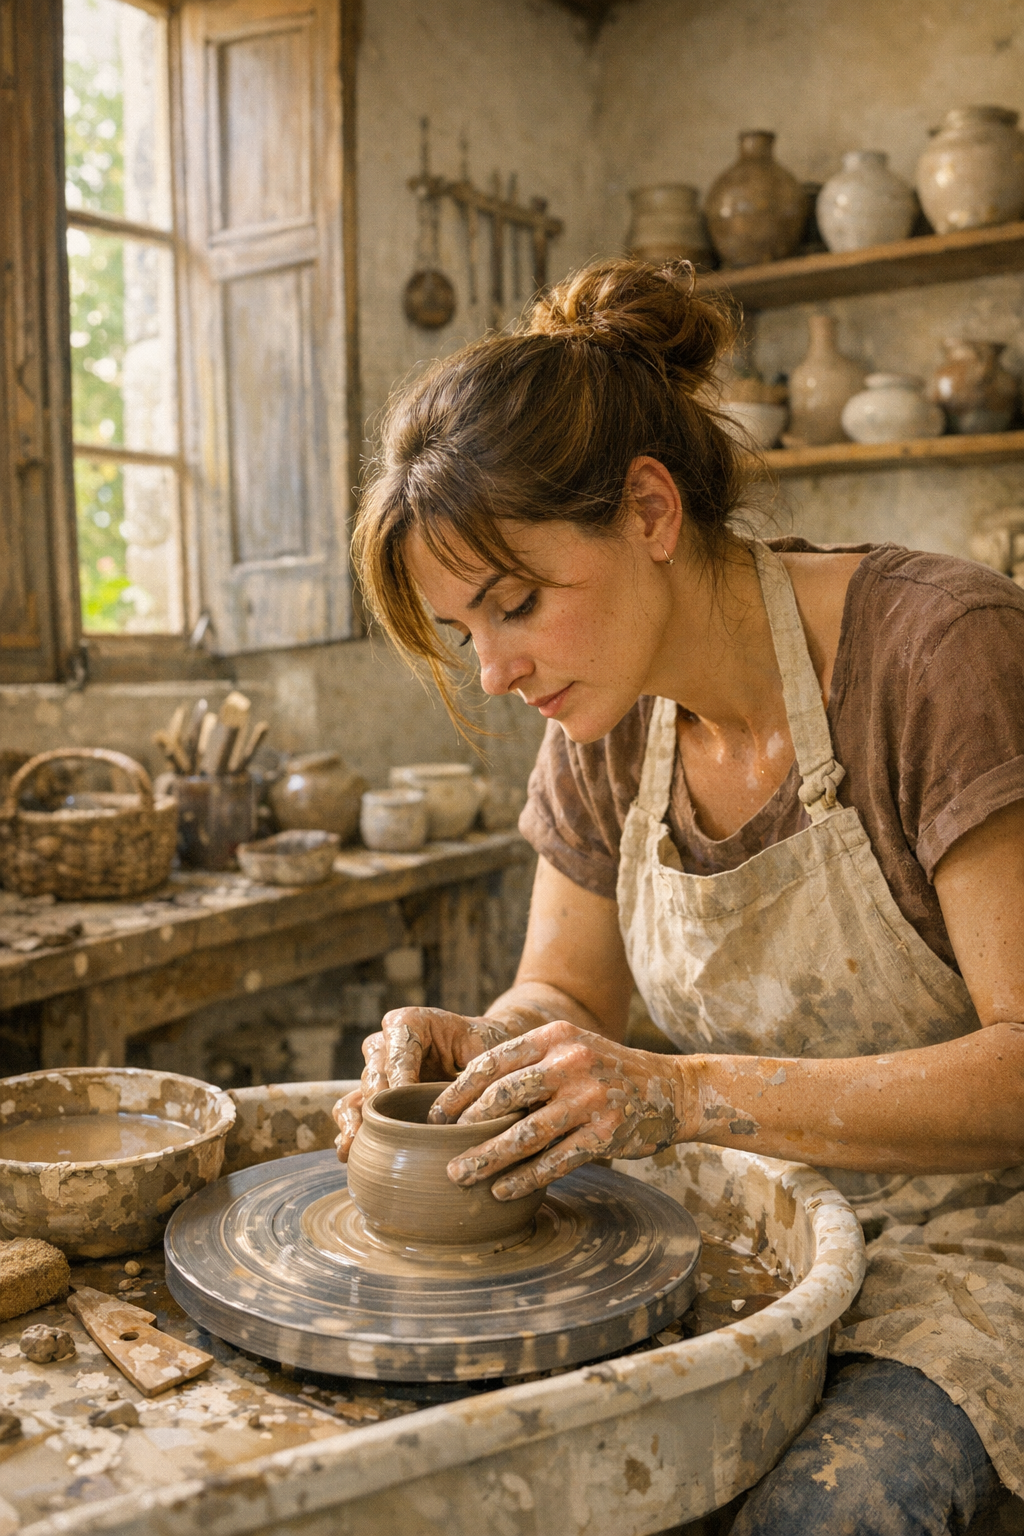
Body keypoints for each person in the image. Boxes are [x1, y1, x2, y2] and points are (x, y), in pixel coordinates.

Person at [334, 257, 1024, 1534]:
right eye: (466, 634)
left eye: (515, 605)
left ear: (650, 511)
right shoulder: (598, 718)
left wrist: (684, 1093)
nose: (495, 673)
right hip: (751, 1225)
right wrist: (488, 1049)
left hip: (982, 1248)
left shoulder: (937, 653)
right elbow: (564, 990)